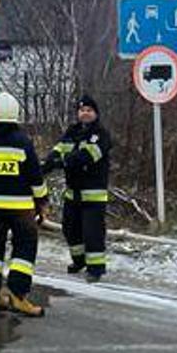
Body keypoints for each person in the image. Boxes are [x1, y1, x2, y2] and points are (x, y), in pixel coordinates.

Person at [0, 91, 47, 316]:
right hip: (20, 209)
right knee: (24, 247)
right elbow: (36, 178)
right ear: (15, 114)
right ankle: (18, 295)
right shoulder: (22, 143)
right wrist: (42, 201)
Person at [49, 94, 115, 282]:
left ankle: (96, 269)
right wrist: (47, 162)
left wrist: (62, 162)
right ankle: (79, 261)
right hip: (73, 194)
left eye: (89, 110)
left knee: (92, 233)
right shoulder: (72, 131)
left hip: (93, 196)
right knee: (70, 229)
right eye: (82, 110)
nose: (85, 113)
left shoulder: (101, 134)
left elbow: (86, 156)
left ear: (96, 113)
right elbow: (59, 148)